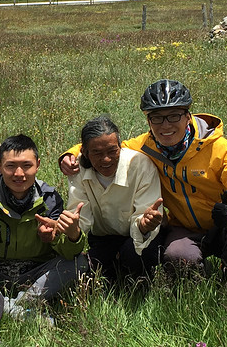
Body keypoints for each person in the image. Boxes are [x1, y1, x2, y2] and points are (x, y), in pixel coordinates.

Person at [61, 79, 227, 278]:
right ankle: (202, 276)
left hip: (225, 225)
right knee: (178, 257)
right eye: (157, 118)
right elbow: (106, 147)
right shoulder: (145, 145)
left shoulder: (218, 148)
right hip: (185, 228)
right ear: (148, 121)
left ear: (188, 116)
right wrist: (70, 155)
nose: (165, 125)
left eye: (174, 116)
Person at [0, 134, 87, 321]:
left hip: (35, 275)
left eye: (26, 166)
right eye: (10, 166)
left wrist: (69, 235)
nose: (19, 174)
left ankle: (14, 304)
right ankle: (17, 309)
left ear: (38, 165)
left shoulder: (49, 198)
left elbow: (68, 252)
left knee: (79, 263)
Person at [67, 115, 165, 286]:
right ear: (85, 152)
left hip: (139, 237)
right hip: (103, 239)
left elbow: (145, 214)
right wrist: (67, 229)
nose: (106, 159)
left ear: (121, 146)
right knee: (88, 273)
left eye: (112, 151)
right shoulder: (79, 170)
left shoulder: (141, 165)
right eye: (97, 153)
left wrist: (144, 224)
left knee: (134, 257)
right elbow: (80, 218)